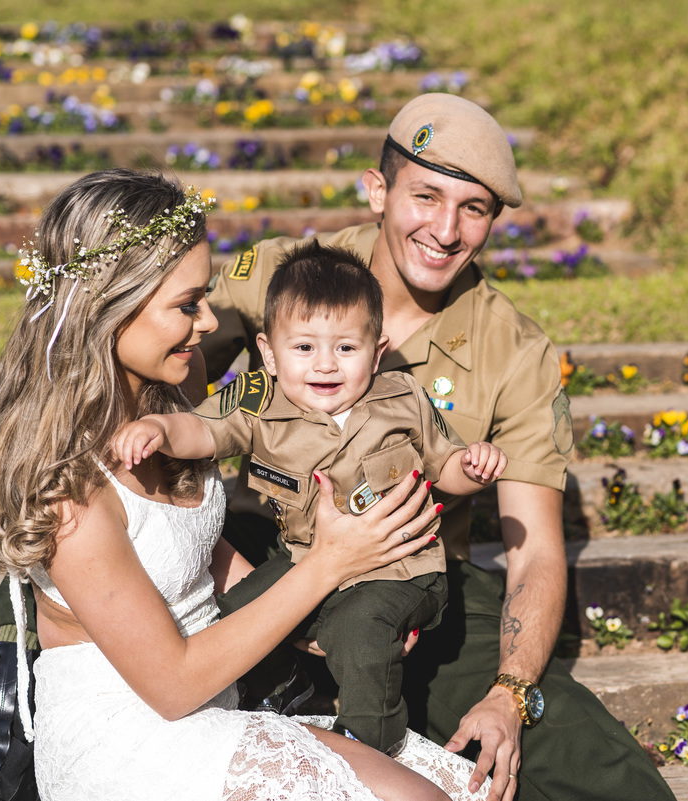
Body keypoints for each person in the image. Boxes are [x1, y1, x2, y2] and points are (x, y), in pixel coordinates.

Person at [0, 168, 494, 801]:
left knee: (456, 788)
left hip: (217, 695)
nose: (209, 321)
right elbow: (172, 686)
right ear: (110, 309)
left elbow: (194, 549)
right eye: (186, 306)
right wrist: (328, 565)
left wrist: (327, 618)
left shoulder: (180, 387)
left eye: (205, 296)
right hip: (133, 733)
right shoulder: (68, 491)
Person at [201, 93, 676, 801]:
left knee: (609, 776)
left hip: (414, 585)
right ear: (378, 190)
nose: (445, 229)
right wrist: (237, 577)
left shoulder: (515, 352)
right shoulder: (280, 274)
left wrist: (510, 695)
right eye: (425, 196)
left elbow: (537, 549)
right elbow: (154, 389)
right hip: (261, 548)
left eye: (474, 208)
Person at [111, 240, 508, 755]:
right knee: (237, 610)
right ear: (270, 353)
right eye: (304, 348)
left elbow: (445, 464)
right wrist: (160, 428)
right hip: (305, 562)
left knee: (360, 629)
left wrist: (473, 470)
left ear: (377, 351)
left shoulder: (402, 400)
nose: (325, 365)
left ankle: (372, 744)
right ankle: (282, 696)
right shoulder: (258, 402)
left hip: (398, 568)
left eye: (346, 348)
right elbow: (203, 432)